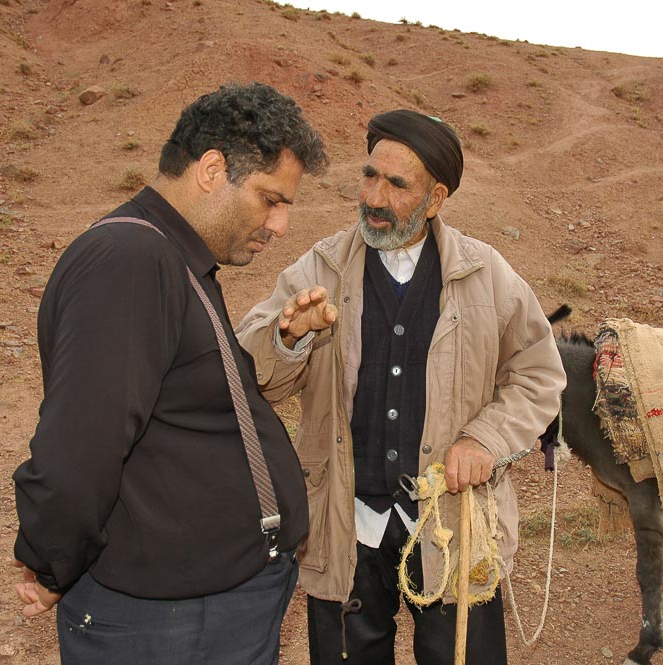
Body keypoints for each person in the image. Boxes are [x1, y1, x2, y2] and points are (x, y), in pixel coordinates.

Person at [12, 82, 329, 665]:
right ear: (211, 169)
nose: (280, 225)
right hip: (168, 622)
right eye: (270, 199)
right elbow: (81, 447)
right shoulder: (128, 262)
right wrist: (53, 558)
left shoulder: (169, 255)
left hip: (202, 609)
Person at [237, 109, 565, 664]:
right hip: (346, 524)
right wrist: (289, 333)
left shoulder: (487, 275)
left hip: (453, 527)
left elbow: (538, 373)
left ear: (436, 198)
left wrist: (485, 438)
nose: (374, 197)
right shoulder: (321, 268)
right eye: (369, 176)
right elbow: (251, 369)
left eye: (396, 184)